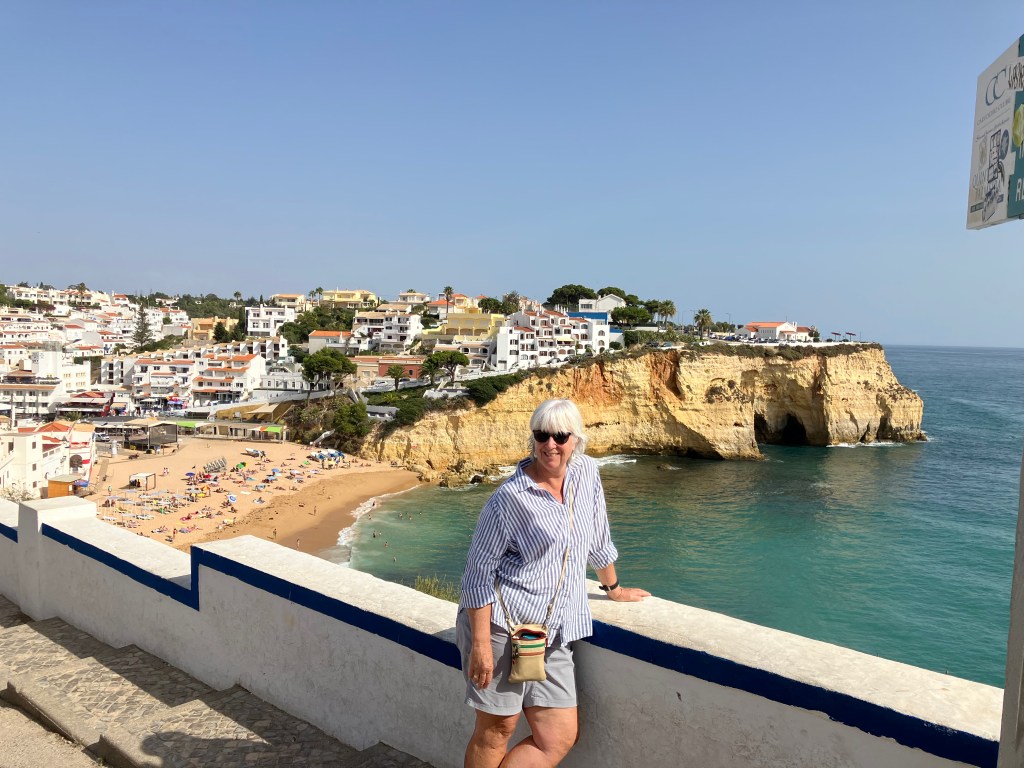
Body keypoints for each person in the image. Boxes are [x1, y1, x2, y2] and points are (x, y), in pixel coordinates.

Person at [458, 399, 649, 768]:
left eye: (560, 436)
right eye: (542, 435)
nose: (550, 445)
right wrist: (480, 645)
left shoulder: (587, 473)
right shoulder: (509, 499)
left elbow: (597, 539)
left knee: (558, 735)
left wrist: (614, 589)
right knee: (497, 729)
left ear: (575, 439)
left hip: (554, 630)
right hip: (501, 628)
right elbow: (477, 575)